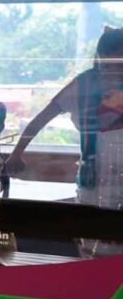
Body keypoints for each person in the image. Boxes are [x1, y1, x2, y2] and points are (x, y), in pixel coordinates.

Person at [7, 27, 123, 255]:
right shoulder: (85, 84)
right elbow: (42, 117)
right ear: (98, 59)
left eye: (120, 64)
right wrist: (17, 152)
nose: (113, 71)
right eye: (107, 64)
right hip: (95, 174)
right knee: (93, 236)